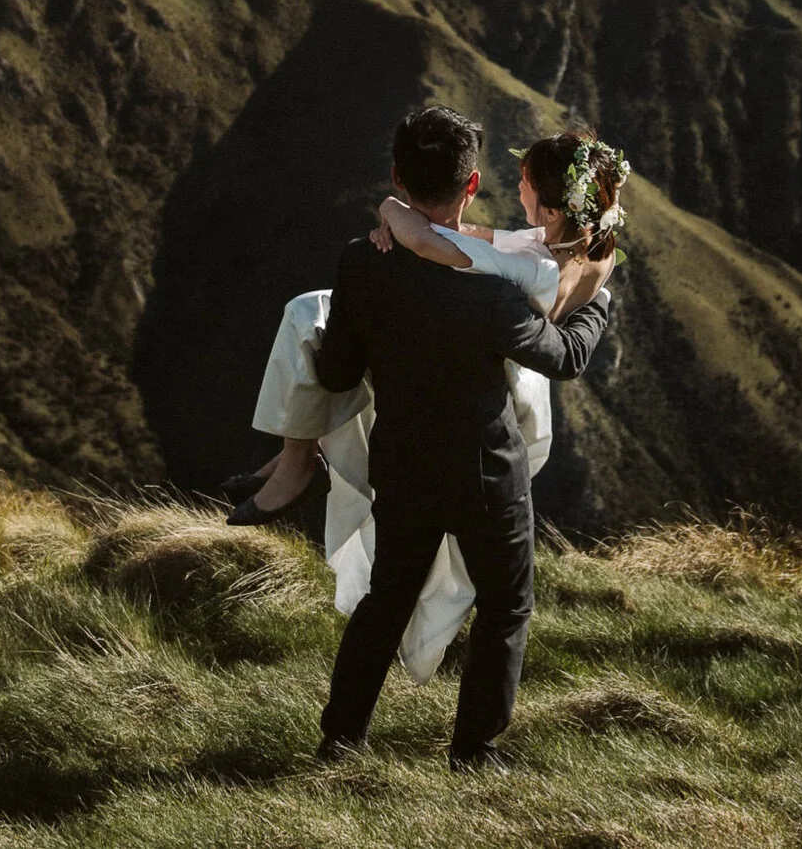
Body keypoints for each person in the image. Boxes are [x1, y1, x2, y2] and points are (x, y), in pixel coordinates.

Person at [232, 106, 623, 768]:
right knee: (505, 604)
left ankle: (340, 738)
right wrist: (600, 305)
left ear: (396, 177)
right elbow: (564, 358)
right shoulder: (497, 292)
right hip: (483, 471)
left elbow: (339, 373)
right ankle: (475, 749)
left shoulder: (363, 263)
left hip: (402, 460)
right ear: (470, 188)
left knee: (387, 599)